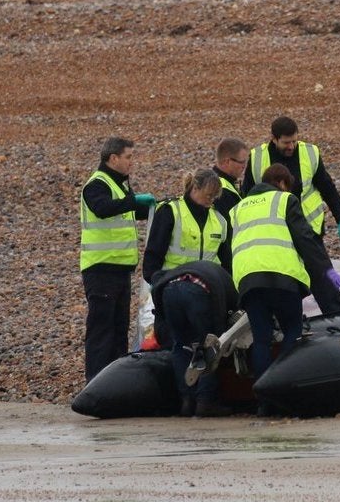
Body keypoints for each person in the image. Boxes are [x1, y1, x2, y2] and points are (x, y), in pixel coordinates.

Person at [231, 164, 334, 394]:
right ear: (280, 183)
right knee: (292, 332)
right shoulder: (284, 201)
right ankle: (286, 390)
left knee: (261, 339)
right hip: (282, 278)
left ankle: (263, 398)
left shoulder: (237, 209)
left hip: (248, 281)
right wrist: (327, 272)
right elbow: (305, 239)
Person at [242, 116, 340, 314]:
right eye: (286, 142)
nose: (291, 146)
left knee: (323, 277)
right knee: (282, 280)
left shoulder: (310, 153)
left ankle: (338, 315)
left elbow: (327, 187)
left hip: (308, 230)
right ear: (274, 139)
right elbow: (246, 197)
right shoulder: (257, 158)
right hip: (275, 233)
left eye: (294, 141)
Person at [79, 136, 154, 382]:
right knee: (102, 329)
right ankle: (96, 382)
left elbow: (125, 210)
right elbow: (103, 208)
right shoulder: (97, 184)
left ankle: (115, 381)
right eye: (129, 157)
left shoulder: (119, 185)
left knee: (119, 328)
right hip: (101, 268)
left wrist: (155, 208)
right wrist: (134, 201)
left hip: (120, 269)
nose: (132, 162)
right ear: (113, 158)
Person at [150, 259, 238, 417]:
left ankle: (187, 401)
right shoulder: (230, 286)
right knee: (209, 346)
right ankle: (205, 402)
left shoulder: (177, 273)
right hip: (198, 290)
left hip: (169, 291)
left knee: (181, 345)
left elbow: (161, 321)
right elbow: (221, 328)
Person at [142, 169, 231, 284]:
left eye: (214, 197)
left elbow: (227, 260)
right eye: (208, 196)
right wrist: (154, 282)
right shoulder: (170, 211)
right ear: (195, 188)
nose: (211, 200)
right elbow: (154, 252)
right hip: (171, 283)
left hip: (206, 285)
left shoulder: (219, 220)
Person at [212, 137, 248, 220]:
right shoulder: (221, 190)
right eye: (241, 162)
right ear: (227, 161)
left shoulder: (230, 182)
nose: (244, 166)